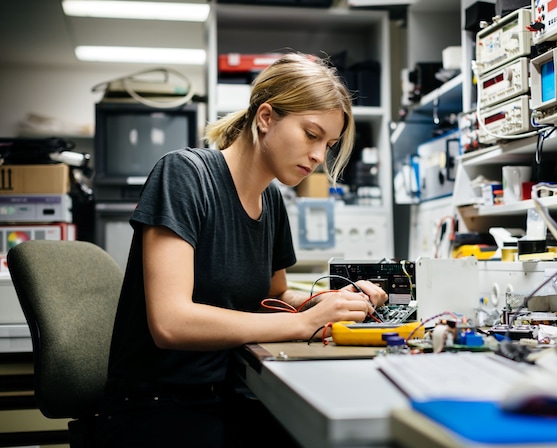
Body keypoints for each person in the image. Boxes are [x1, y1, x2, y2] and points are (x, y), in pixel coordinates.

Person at [96, 52, 388, 447]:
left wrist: (332, 300)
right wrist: (305, 322)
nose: (320, 156)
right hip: (155, 407)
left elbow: (274, 294)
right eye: (311, 134)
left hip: (228, 394)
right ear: (266, 118)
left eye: (329, 144)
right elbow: (170, 322)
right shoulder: (184, 175)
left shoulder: (272, 201)